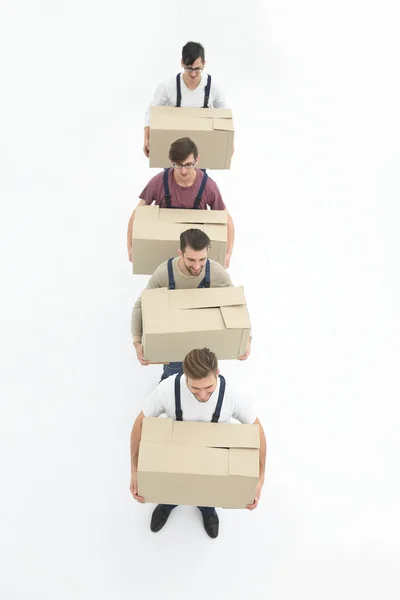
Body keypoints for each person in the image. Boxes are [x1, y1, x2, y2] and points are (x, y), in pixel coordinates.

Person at [129, 348, 267, 538]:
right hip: (176, 457)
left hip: (213, 461)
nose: (202, 395)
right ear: (185, 376)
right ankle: (167, 503)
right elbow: (140, 423)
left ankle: (207, 510)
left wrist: (260, 478)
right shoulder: (167, 389)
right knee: (171, 489)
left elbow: (257, 430)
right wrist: (134, 470)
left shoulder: (234, 394)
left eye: (209, 388)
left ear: (217, 373)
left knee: (208, 493)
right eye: (195, 389)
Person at [131, 228, 252, 380]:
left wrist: (246, 340)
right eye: (191, 260)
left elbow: (236, 303)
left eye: (202, 260)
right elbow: (140, 305)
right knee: (173, 379)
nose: (196, 266)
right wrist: (137, 343)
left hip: (206, 343)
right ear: (180, 253)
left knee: (204, 380)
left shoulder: (216, 272)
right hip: (174, 343)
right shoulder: (164, 273)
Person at [127, 137, 235, 268]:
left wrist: (228, 253)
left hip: (195, 255)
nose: (184, 171)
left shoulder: (208, 186)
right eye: (179, 165)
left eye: (188, 164)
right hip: (164, 251)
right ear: (171, 162)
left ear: (197, 160)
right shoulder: (158, 182)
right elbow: (137, 214)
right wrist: (130, 247)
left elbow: (226, 219)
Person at [143, 41, 227, 158]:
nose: (193, 74)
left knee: (199, 176)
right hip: (173, 151)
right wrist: (146, 138)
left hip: (200, 152)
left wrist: (229, 143)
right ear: (182, 63)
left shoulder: (213, 86)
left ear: (204, 63)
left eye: (197, 69)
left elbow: (224, 117)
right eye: (189, 68)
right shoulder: (169, 85)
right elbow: (152, 110)